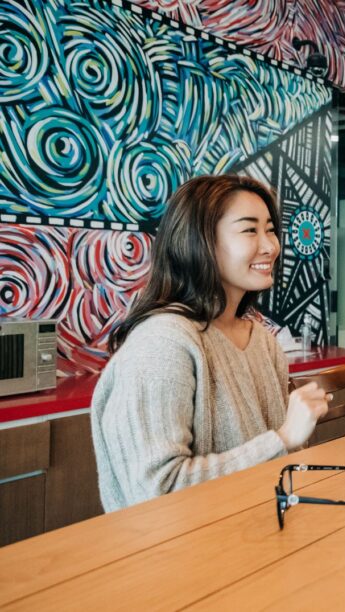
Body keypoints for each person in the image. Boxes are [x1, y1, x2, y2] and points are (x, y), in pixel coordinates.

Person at [92, 175, 329, 512]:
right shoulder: (162, 343)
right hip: (175, 557)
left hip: (252, 538)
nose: (270, 246)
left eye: (271, 229)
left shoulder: (263, 341)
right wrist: (283, 438)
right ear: (199, 241)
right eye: (250, 230)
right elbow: (156, 492)